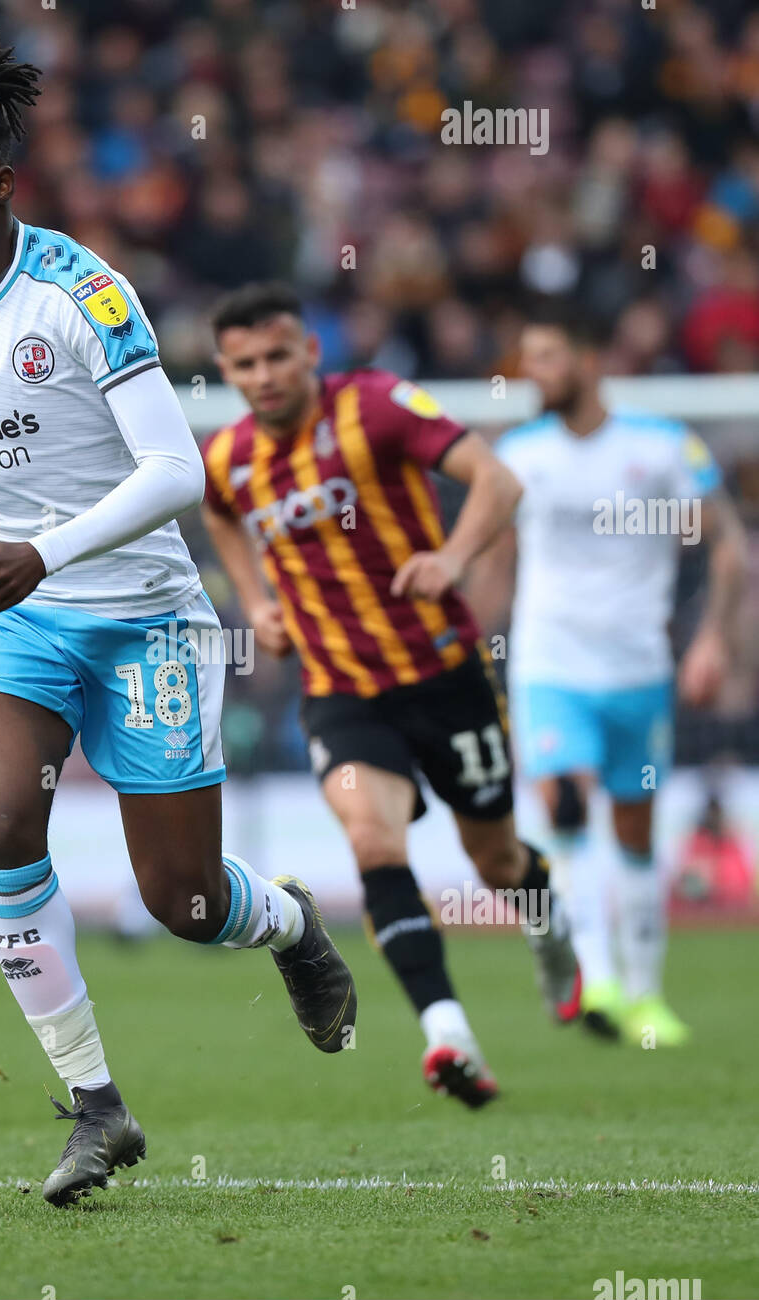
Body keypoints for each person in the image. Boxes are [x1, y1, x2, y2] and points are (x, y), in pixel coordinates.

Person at [0, 11, 357, 1206]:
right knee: (1, 820)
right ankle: (97, 1109)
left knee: (184, 899)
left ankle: (290, 927)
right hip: (13, 616)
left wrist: (43, 550)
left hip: (144, 618)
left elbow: (182, 473)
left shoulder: (87, 296)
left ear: (0, 187)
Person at [200, 281, 581, 1110]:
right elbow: (218, 510)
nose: (263, 376)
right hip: (341, 692)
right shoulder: (228, 457)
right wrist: (253, 599)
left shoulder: (375, 407)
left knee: (497, 861)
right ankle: (449, 1033)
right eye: (244, 365)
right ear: (227, 372)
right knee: (373, 843)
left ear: (310, 353)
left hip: (443, 675)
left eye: (276, 357)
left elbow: (499, 481)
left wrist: (453, 556)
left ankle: (545, 919)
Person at [491, 305, 747, 1044]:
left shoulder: (661, 446)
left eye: (545, 357)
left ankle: (645, 997)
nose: (531, 374)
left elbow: (727, 547)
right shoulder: (521, 452)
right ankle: (595, 978)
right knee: (566, 809)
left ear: (588, 360)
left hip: (638, 667)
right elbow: (499, 561)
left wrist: (712, 644)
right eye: (526, 358)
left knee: (634, 834)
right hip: (549, 665)